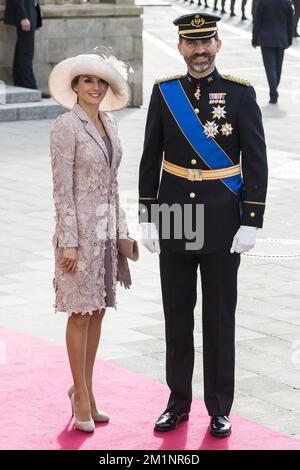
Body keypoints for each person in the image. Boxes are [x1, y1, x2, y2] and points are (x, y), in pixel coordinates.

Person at [138, 12, 268, 437]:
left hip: (221, 221)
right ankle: (177, 402)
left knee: (218, 319)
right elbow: (150, 157)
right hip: (176, 218)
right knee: (177, 317)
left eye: (206, 42)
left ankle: (219, 407)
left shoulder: (240, 94)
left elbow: (256, 160)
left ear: (218, 44)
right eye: (191, 44)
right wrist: (148, 216)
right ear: (179, 47)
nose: (199, 51)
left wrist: (251, 220)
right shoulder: (165, 93)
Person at [49, 53, 131, 433]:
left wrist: (121, 231)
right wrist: (68, 241)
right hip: (78, 237)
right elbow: (62, 190)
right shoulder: (66, 126)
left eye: (101, 83)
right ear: (75, 86)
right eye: (87, 82)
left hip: (104, 233)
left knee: (97, 311)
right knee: (80, 314)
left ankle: (87, 390)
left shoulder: (111, 123)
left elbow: (113, 184)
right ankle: (79, 395)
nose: (95, 88)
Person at [252, 0, 294, 104]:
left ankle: (273, 91)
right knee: (278, 67)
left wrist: (254, 39)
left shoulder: (263, 2)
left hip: (266, 39)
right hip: (281, 38)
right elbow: (290, 23)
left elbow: (257, 21)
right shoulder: (287, 2)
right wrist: (289, 39)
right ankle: (274, 88)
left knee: (270, 67)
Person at [3, 1, 45, 92]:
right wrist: (23, 17)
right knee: (26, 52)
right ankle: (30, 86)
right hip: (26, 15)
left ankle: (20, 82)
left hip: (30, 13)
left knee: (21, 51)